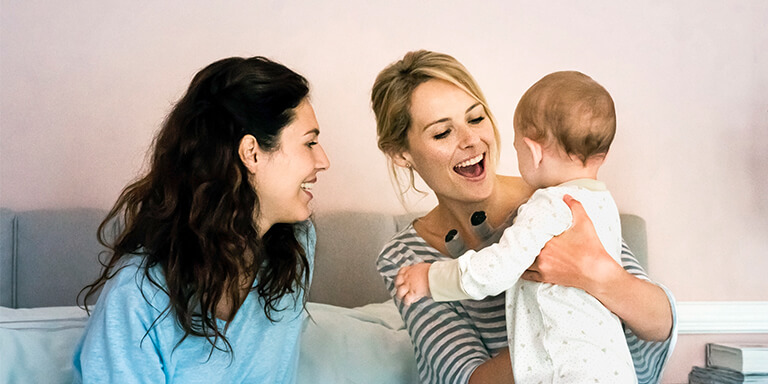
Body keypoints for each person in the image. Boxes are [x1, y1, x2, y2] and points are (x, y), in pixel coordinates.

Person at [371, 50, 677, 384]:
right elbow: (465, 377)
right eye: (443, 133)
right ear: (402, 154)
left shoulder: (553, 200)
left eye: (475, 119)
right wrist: (559, 343)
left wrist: (595, 274)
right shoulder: (404, 257)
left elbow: (660, 324)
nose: (471, 141)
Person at [72, 56, 330, 383]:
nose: (324, 161)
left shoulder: (295, 249)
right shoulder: (137, 295)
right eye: (310, 142)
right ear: (251, 153)